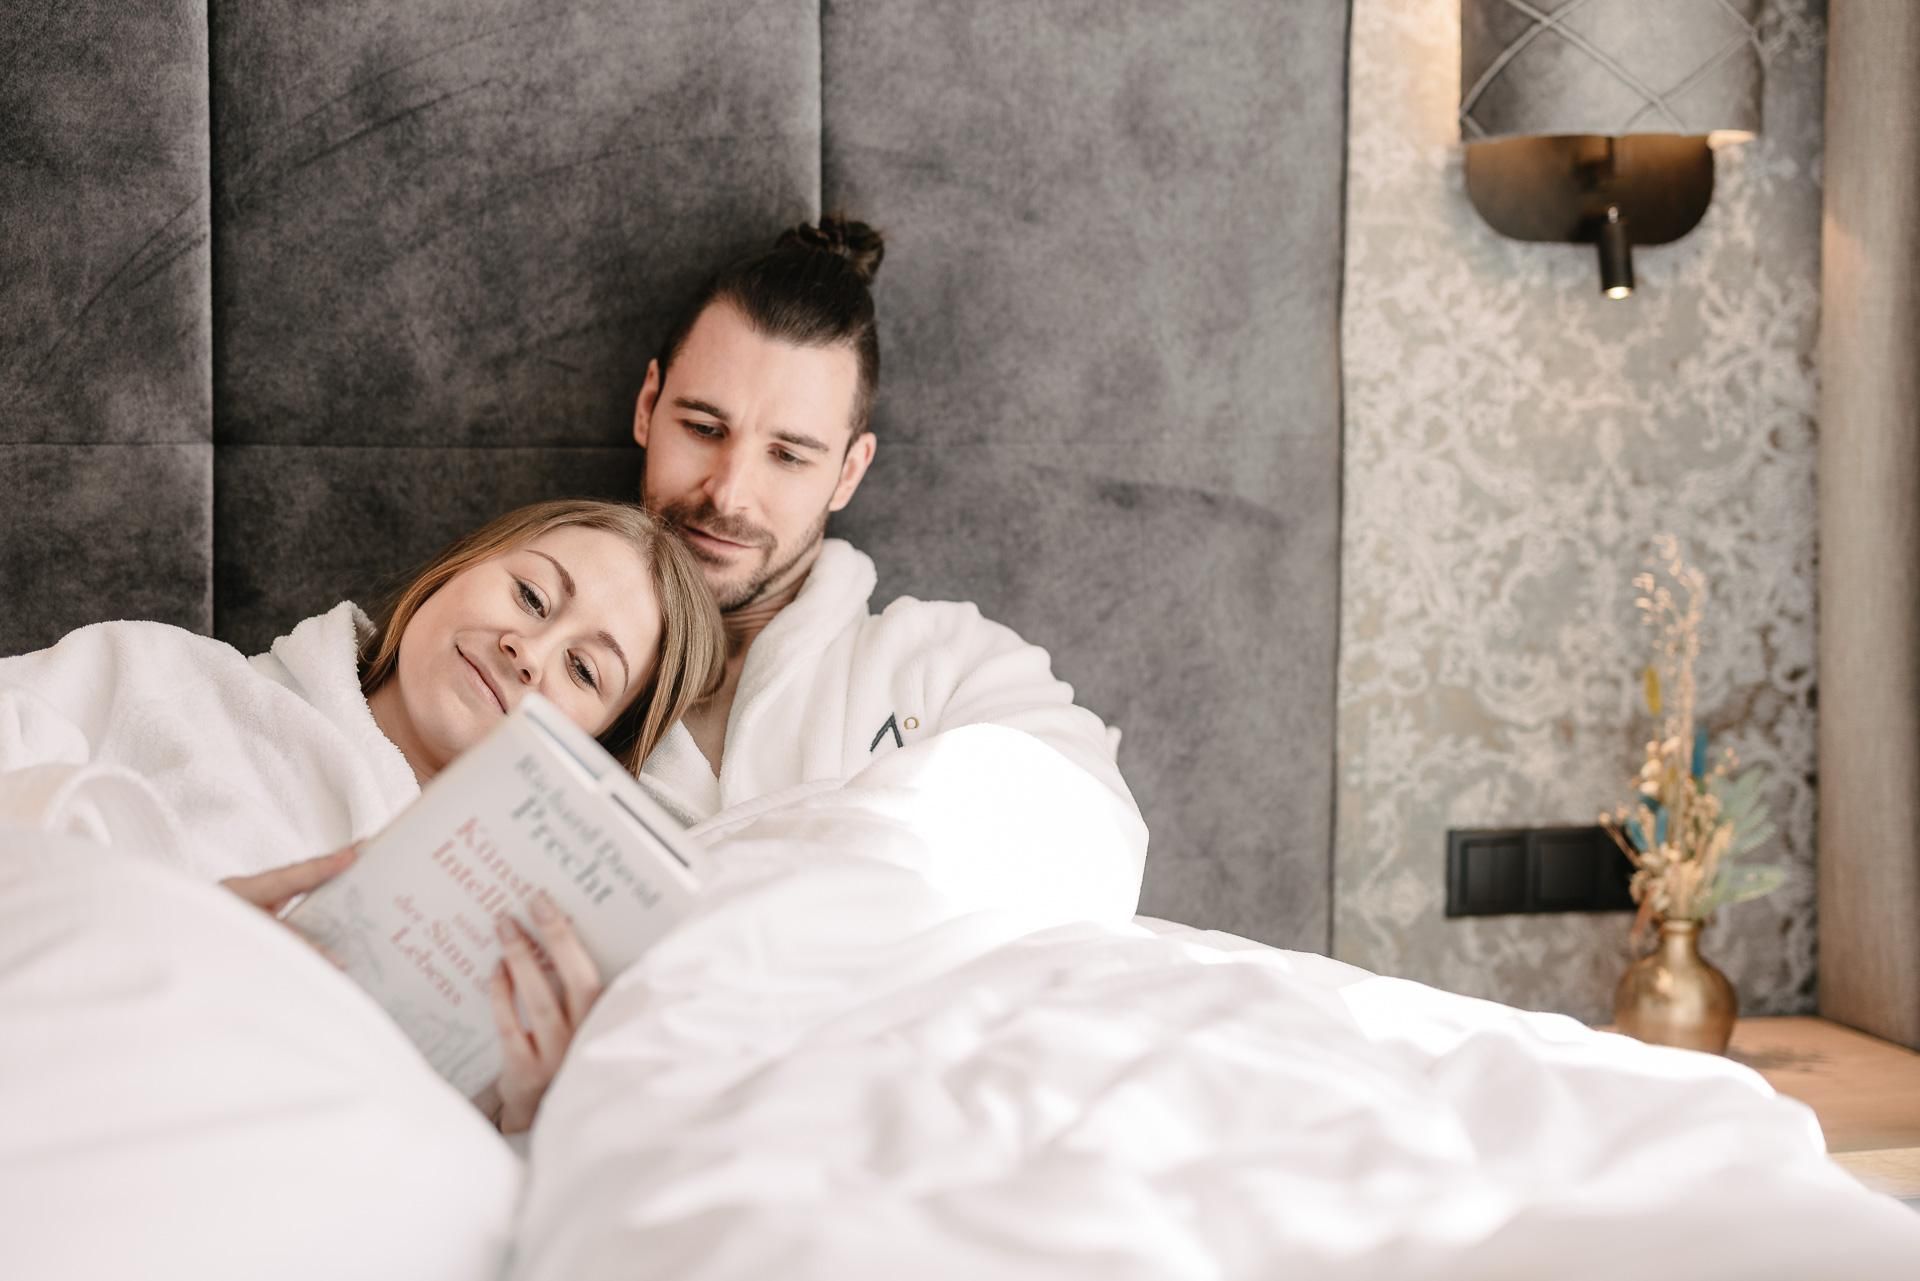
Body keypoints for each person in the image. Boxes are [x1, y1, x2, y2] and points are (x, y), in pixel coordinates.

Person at [0, 498, 725, 1131]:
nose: (529, 652)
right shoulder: (156, 677)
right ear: (456, 567)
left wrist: (525, 1113)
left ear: (596, 747)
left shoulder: (537, 970)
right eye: (532, 597)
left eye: (584, 670)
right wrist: (170, 930)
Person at [629, 216, 1148, 920]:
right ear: (649, 406)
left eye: (788, 455)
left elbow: (1090, 849)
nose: (728, 492)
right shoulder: (534, 654)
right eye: (702, 428)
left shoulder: (952, 664)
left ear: (848, 472)